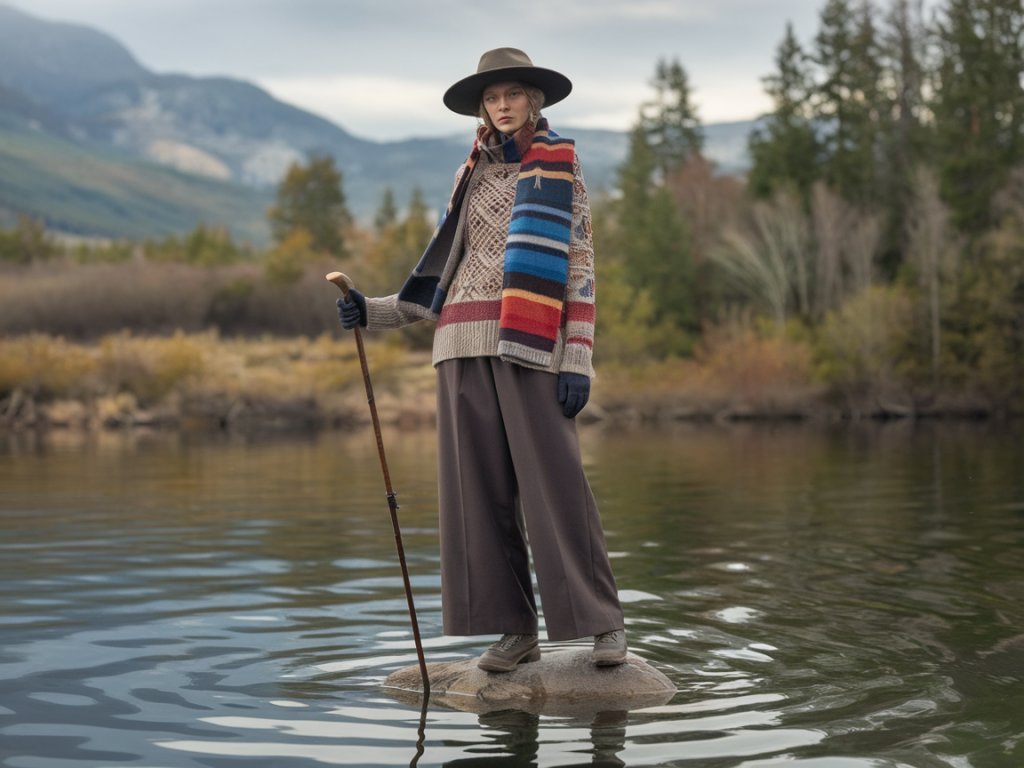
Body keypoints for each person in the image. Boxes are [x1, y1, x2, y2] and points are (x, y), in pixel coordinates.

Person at [337, 47, 626, 671]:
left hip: (530, 345)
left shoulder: (559, 169)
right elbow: (443, 274)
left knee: (558, 487)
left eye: (513, 94)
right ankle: (513, 630)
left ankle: (603, 625)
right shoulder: (470, 175)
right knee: (477, 495)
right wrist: (374, 310)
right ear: (482, 107)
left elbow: (580, 271)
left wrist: (577, 357)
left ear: (534, 101)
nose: (502, 105)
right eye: (492, 97)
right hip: (458, 350)